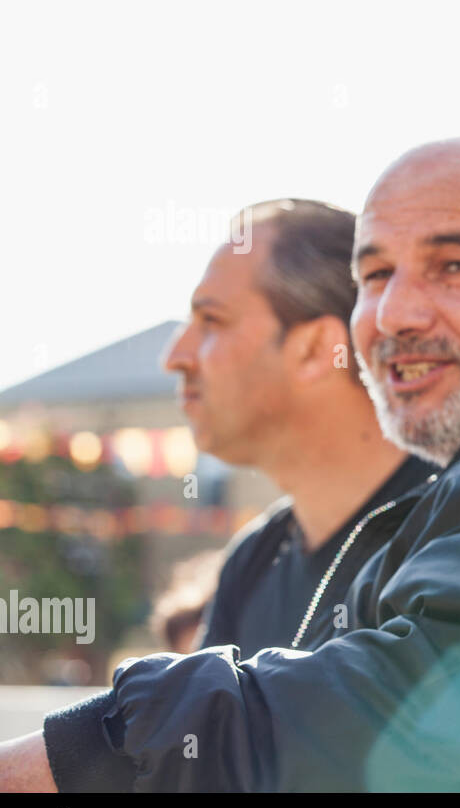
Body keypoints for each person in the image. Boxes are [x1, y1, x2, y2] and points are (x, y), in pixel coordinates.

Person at [0, 137, 460, 792]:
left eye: (454, 265)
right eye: (376, 273)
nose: (395, 313)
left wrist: (92, 753)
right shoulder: (276, 549)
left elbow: (437, 722)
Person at [162, 199, 436, 655]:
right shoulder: (252, 561)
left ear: (314, 349)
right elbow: (202, 721)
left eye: (211, 321)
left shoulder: (454, 534)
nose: (175, 357)